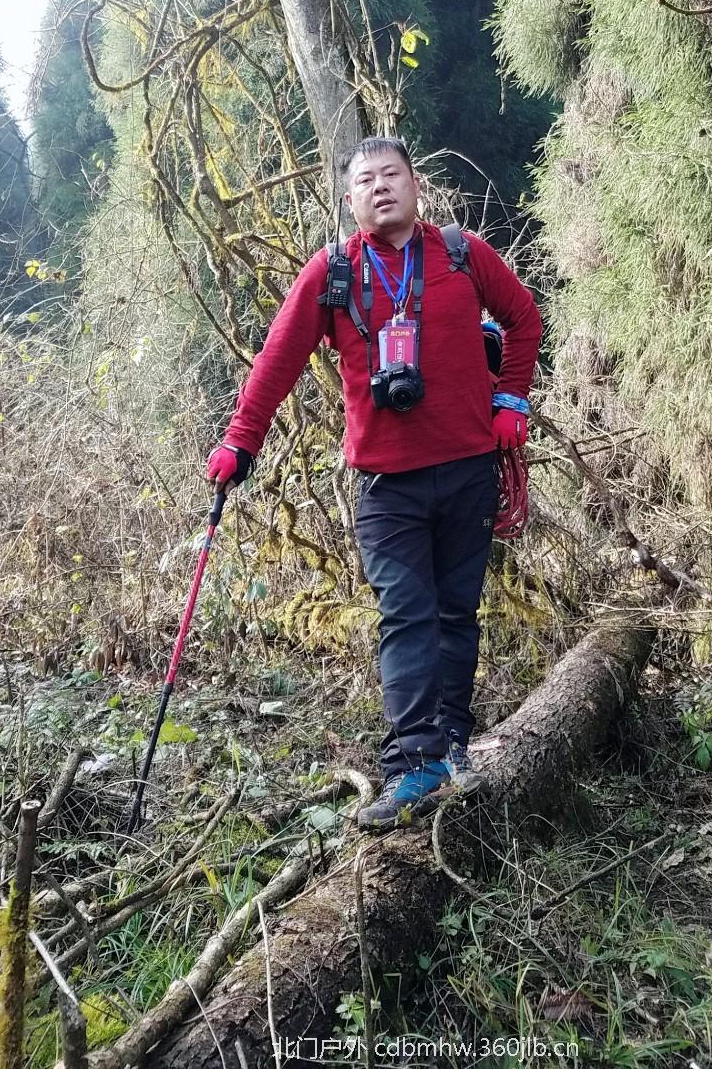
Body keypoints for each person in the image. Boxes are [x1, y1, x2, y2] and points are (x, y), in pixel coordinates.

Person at [206, 136, 543, 833]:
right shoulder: (332, 272)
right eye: (366, 180)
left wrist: (512, 398)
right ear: (349, 199)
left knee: (456, 614)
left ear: (416, 186)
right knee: (407, 615)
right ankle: (414, 763)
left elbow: (523, 318)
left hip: (469, 469)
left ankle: (452, 745)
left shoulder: (462, 254)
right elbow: (276, 361)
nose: (381, 187)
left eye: (392, 174)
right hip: (387, 485)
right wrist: (241, 439)